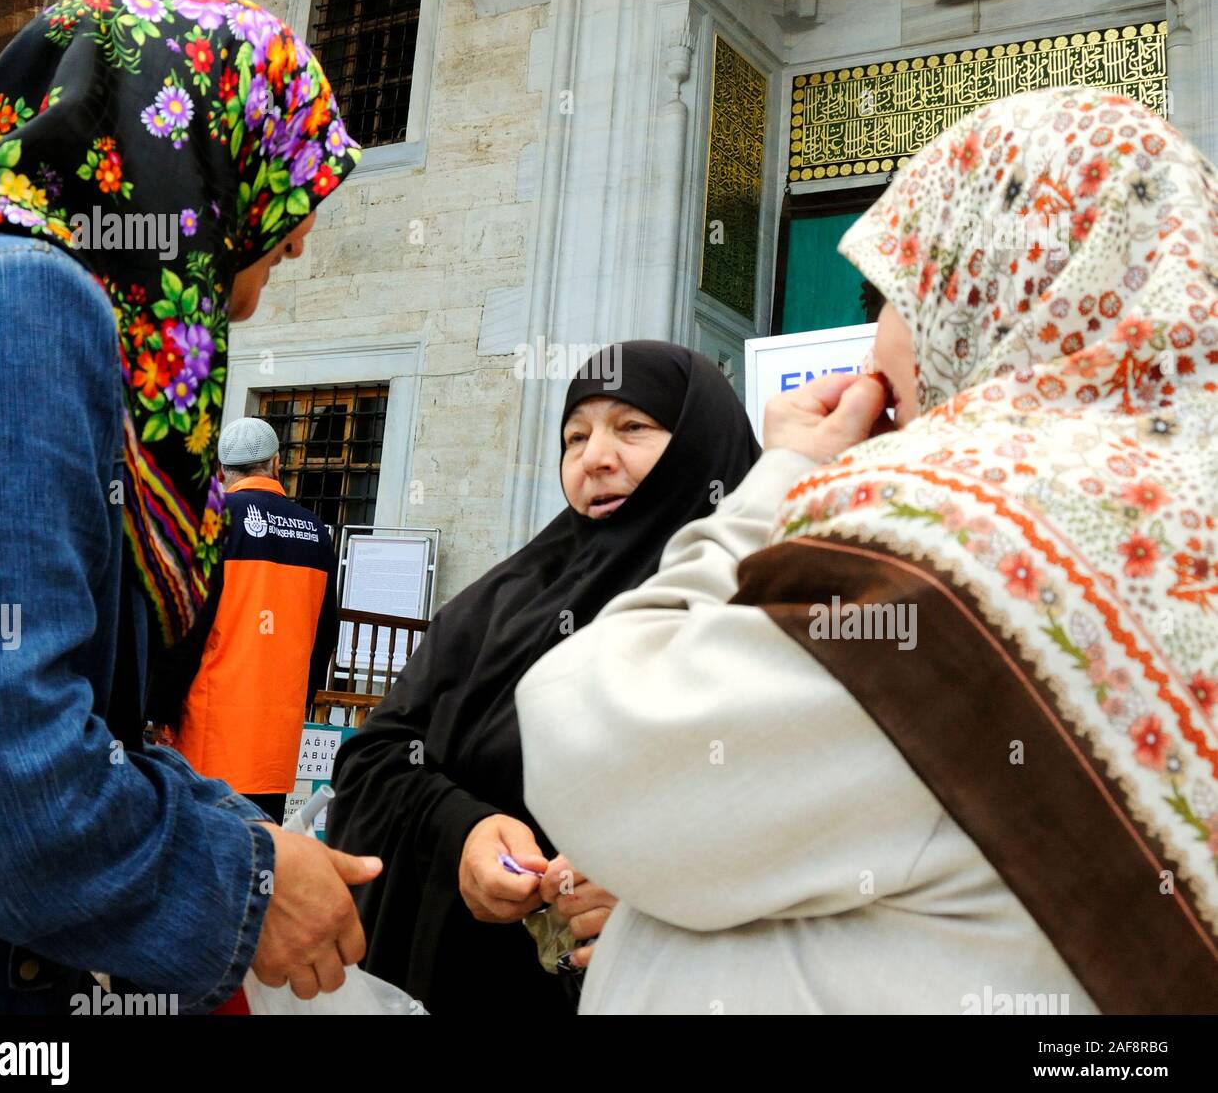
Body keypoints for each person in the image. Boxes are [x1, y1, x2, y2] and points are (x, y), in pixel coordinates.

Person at [517, 85, 1218, 1014]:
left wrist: (781, 479)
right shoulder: (1175, 526)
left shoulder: (965, 551)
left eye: (893, 296)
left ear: (990, 288)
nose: (877, 347)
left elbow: (593, 752)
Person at [0, 0, 378, 1013]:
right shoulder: (18, 300)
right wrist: (246, 885)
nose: (298, 239)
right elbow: (3, 792)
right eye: (281, 172)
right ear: (189, 153)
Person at [326, 342, 761, 1014]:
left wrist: (662, 900)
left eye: (633, 427)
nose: (596, 457)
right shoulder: (502, 604)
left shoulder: (764, 610)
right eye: (575, 437)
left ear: (702, 444)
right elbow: (374, 757)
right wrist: (462, 832)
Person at [148, 416, 341, 825]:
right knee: (260, 848)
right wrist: (300, 701)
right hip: (276, 734)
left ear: (221, 471)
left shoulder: (211, 521)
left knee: (205, 853)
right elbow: (325, 635)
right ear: (276, 465)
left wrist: (160, 707)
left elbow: (184, 626)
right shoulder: (316, 533)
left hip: (209, 728)